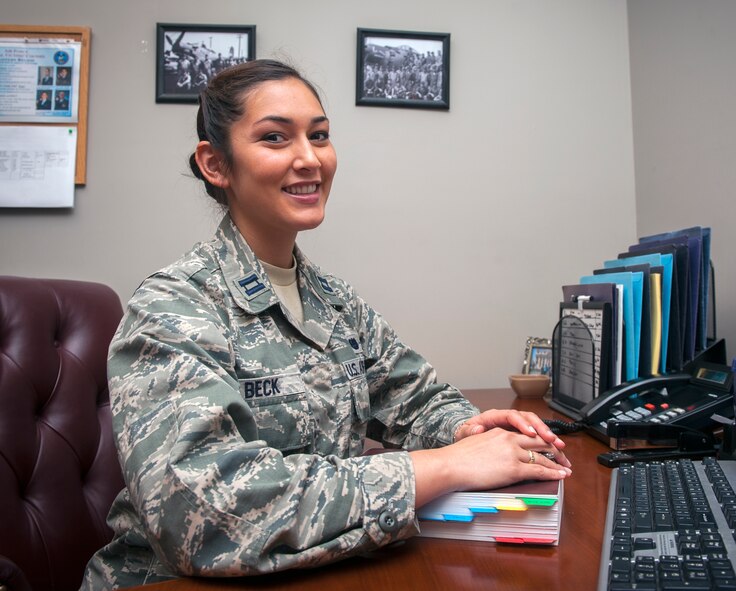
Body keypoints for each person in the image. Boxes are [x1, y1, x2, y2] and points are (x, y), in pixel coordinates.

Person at [80, 59, 571, 590]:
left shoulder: (333, 301)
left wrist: (467, 431)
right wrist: (445, 467)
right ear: (216, 164)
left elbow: (416, 395)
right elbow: (206, 514)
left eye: (320, 136)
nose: (310, 159)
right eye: (275, 138)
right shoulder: (172, 308)